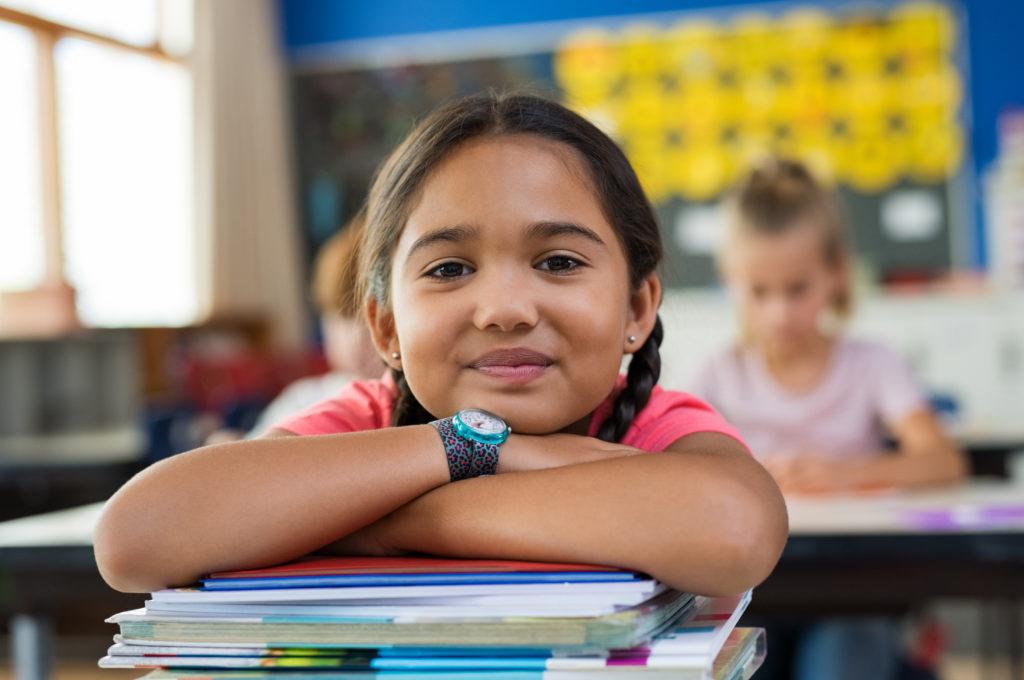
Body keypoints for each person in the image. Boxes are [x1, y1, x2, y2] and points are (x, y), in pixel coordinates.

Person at [94, 92, 788, 598]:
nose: (506, 310)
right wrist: (470, 446)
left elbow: (734, 528)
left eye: (558, 262)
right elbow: (134, 539)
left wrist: (374, 520)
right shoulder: (363, 419)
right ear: (387, 328)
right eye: (449, 269)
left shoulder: (653, 427)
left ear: (637, 306)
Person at [692, 156, 966, 680]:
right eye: (759, 291)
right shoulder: (717, 375)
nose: (779, 313)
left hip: (854, 591)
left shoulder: (872, 365)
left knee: (840, 662)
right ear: (731, 282)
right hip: (750, 591)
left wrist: (845, 474)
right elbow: (667, 470)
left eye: (797, 289)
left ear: (836, 274)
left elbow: (943, 461)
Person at [205, 214, 383, 445]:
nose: (355, 340)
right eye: (341, 317)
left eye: (370, 320)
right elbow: (248, 452)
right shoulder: (306, 398)